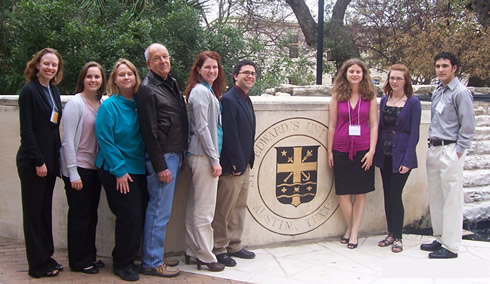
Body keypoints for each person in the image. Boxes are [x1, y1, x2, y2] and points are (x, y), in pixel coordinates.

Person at [135, 43, 188, 278]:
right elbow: (149, 131)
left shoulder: (171, 83)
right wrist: (160, 166)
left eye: (165, 56)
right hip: (163, 157)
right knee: (158, 210)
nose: (163, 61)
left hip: (175, 153)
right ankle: (152, 261)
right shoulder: (147, 89)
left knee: (162, 210)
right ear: (148, 64)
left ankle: (155, 254)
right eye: (157, 58)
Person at [95, 58, 147, 281]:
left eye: (130, 74)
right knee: (129, 216)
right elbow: (105, 140)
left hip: (139, 168)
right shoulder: (109, 106)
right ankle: (121, 263)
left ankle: (129, 258)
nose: (126, 77)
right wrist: (119, 170)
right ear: (114, 80)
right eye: (121, 74)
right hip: (116, 169)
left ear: (136, 77)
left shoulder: (139, 103)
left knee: (139, 216)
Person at [420, 52, 475, 259]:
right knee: (436, 196)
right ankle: (440, 237)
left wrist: (458, 152)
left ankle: (451, 246)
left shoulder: (461, 93)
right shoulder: (438, 91)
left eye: (444, 66)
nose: (440, 69)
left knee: (452, 198)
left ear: (455, 68)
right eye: (437, 66)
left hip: (451, 150)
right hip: (434, 149)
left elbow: (468, 126)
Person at [16, 48, 64, 278]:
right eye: (46, 63)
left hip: (50, 162)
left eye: (54, 65)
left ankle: (46, 256)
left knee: (45, 211)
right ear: (36, 65)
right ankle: (36, 265)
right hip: (33, 162)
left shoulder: (53, 91)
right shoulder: (29, 91)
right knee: (34, 214)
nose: (50, 68)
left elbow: (52, 128)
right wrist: (38, 160)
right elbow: (26, 131)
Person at [60, 61, 106, 273]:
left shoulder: (102, 102)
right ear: (83, 79)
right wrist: (72, 172)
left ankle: (89, 255)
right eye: (89, 76)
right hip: (78, 167)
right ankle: (79, 261)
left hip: (95, 168)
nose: (93, 80)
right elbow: (68, 141)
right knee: (80, 216)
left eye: (97, 77)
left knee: (91, 215)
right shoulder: (75, 104)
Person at [327, 58, 378, 249]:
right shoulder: (337, 96)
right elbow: (331, 125)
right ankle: (351, 227)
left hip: (363, 150)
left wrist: (372, 150)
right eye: (351, 72)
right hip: (340, 149)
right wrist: (329, 151)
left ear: (363, 74)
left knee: (360, 193)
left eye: (358, 71)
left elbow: (373, 125)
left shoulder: (370, 97)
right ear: (345, 74)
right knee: (343, 194)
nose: (355, 74)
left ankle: (353, 232)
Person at [183, 51, 226, 272]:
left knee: (194, 205)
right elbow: (202, 128)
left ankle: (192, 250)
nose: (212, 71)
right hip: (203, 156)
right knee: (205, 210)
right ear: (198, 69)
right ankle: (206, 255)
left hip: (200, 155)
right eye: (207, 67)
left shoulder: (207, 92)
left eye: (215, 68)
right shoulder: (200, 92)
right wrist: (214, 159)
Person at [212, 60, 257, 267]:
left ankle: (235, 245)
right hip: (232, 166)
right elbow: (229, 135)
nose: (250, 76)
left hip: (245, 163)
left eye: (253, 73)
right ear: (235, 76)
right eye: (246, 72)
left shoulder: (246, 99)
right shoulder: (229, 100)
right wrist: (237, 164)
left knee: (239, 206)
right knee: (225, 208)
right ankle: (219, 248)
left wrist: (247, 160)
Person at [375, 64, 421, 253]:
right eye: (392, 78)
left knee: (396, 194)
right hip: (385, 154)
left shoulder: (413, 102)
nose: (394, 81)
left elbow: (414, 134)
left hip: (401, 155)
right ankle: (390, 233)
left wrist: (407, 160)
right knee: (387, 194)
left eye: (398, 78)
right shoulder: (385, 100)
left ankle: (399, 236)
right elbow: (379, 128)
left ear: (405, 81)